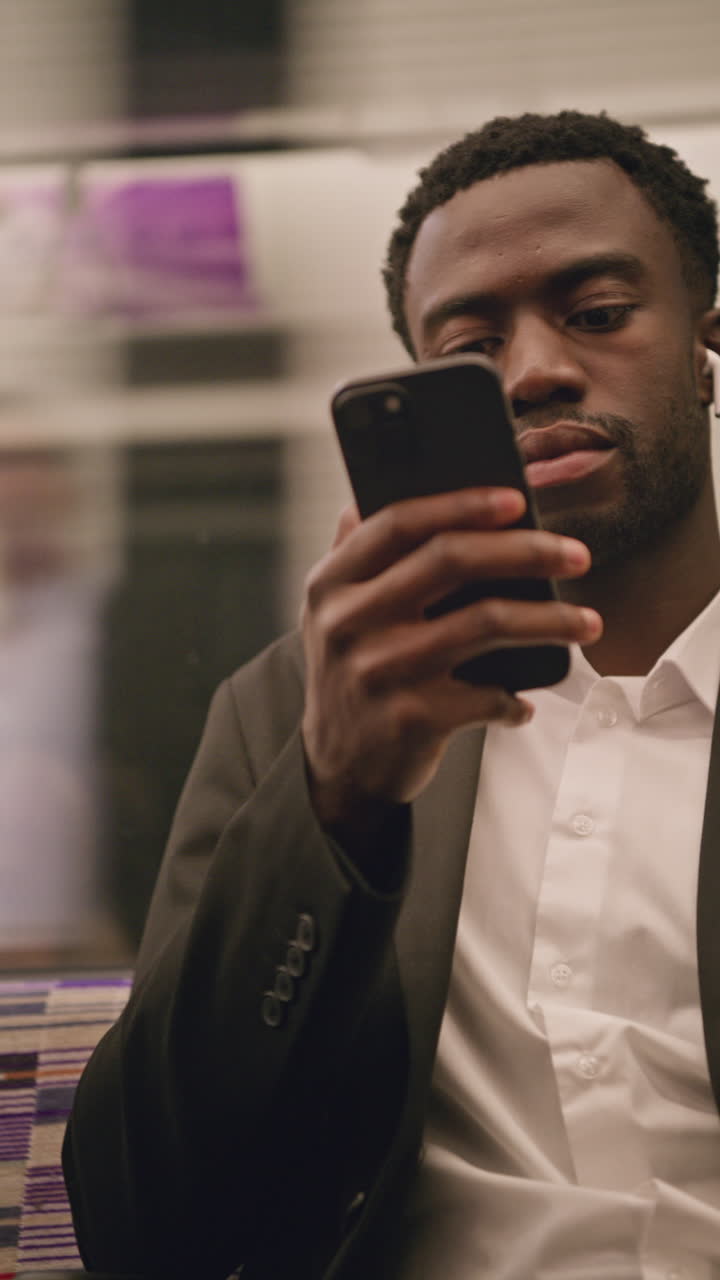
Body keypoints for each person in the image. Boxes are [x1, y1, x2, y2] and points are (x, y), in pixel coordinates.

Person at [63, 110, 720, 1279]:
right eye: (468, 350)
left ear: (706, 340)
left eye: (598, 314)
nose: (533, 371)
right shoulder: (307, 703)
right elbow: (139, 1220)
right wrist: (336, 798)